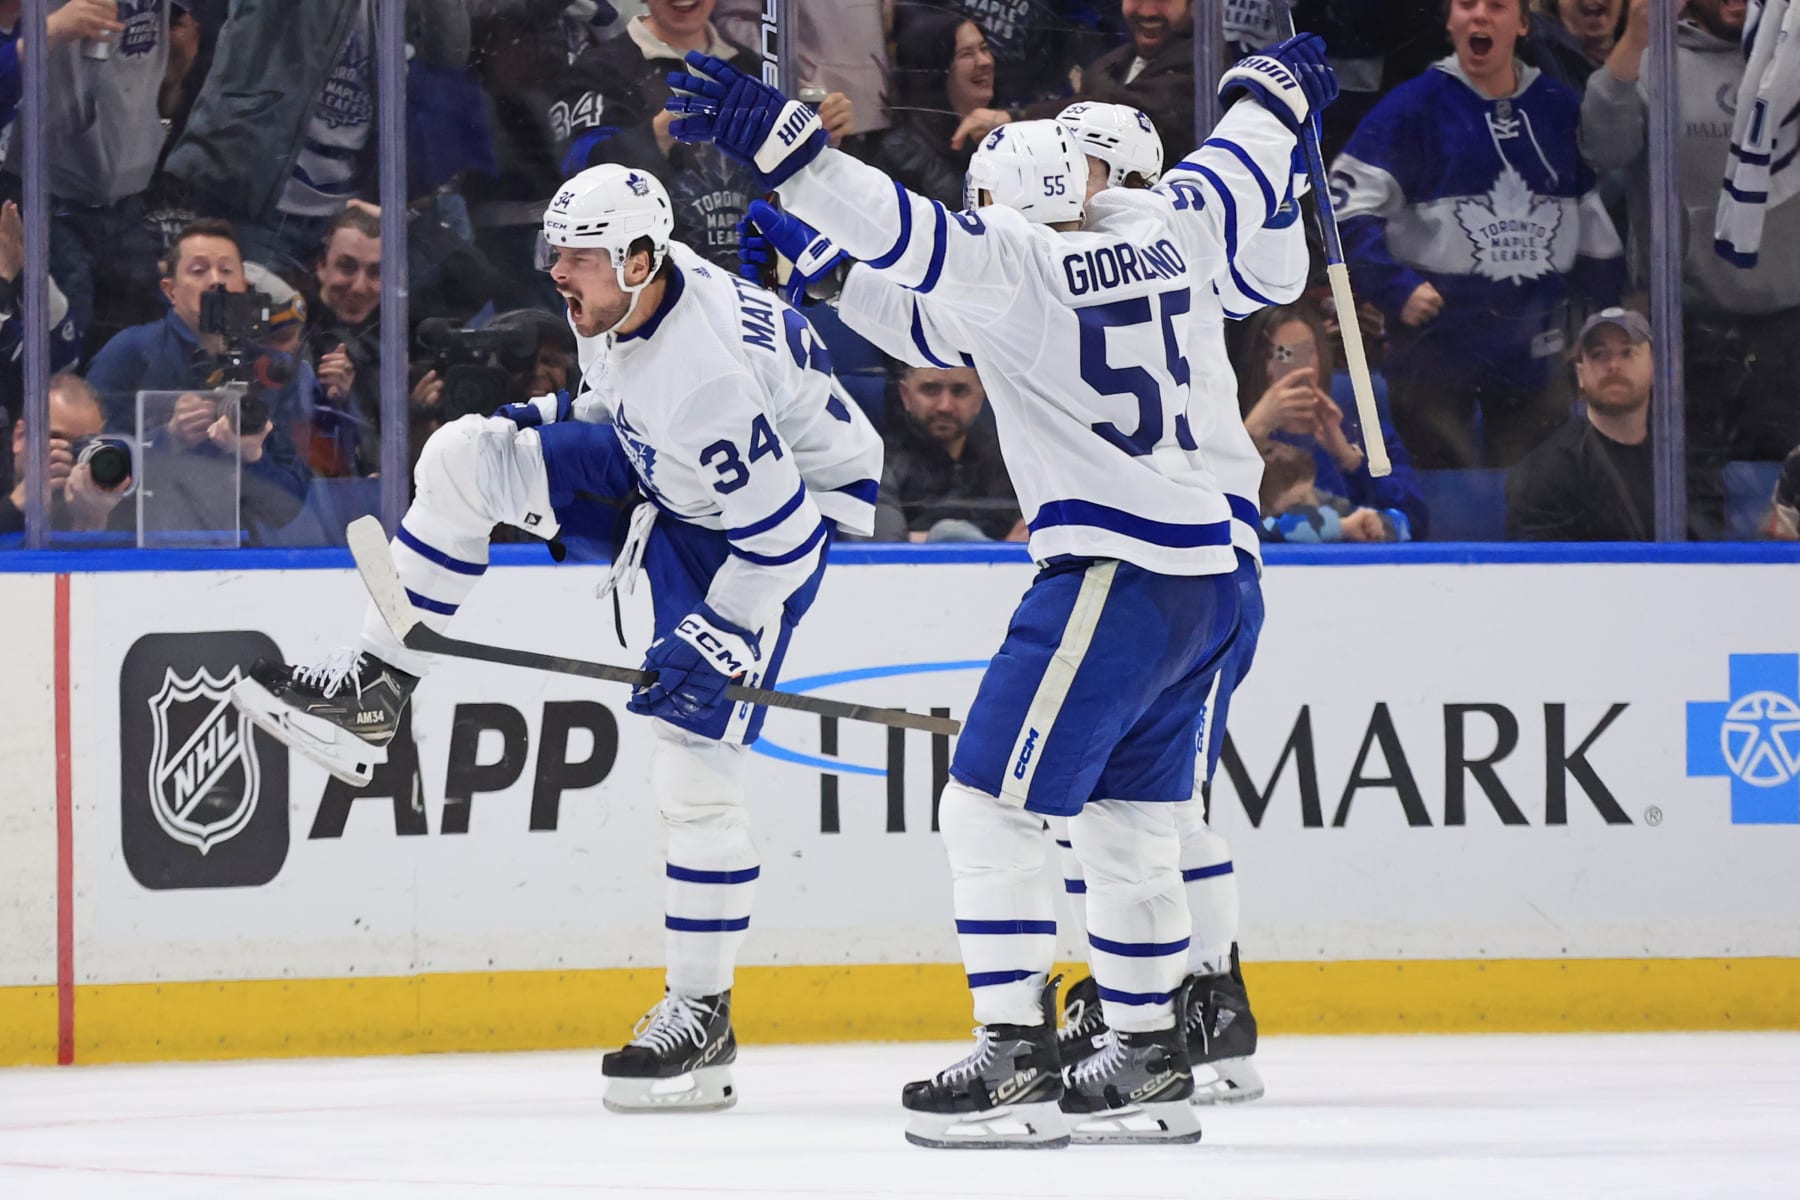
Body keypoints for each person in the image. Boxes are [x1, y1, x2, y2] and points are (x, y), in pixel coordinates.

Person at [667, 33, 1337, 1144]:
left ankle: (1017, 1057)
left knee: (986, 805)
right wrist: (1274, 84)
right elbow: (1245, 150)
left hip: (1111, 574)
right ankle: (1149, 1054)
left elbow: (915, 237)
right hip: (1206, 581)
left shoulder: (1020, 262)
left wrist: (789, 154)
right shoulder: (1170, 225)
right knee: (1128, 822)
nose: (976, 216)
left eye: (987, 203)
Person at [231, 164, 882, 1115]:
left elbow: (782, 542)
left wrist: (717, 634)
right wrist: (530, 420)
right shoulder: (628, 305)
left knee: (695, 772)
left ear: (640, 257)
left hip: (772, 527)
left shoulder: (699, 379)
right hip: (675, 473)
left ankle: (702, 1013)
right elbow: (621, 412)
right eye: (558, 254)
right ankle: (374, 693)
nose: (558, 275)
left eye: (578, 258)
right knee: (464, 459)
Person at [1330, 0, 1624, 469]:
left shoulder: (1557, 110)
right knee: (1445, 500)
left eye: (1497, 6)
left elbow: (1594, 232)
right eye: (1466, 5)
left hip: (1535, 357)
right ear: (1449, 21)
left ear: (1524, 25)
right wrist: (1393, 285)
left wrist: (1591, 320)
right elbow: (1343, 206)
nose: (1479, 16)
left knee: (1535, 497)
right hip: (1434, 356)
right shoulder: (1413, 108)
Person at [1580, 0, 1800, 465]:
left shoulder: (1793, 52)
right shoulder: (1657, 59)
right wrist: (1636, 39)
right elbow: (1603, 148)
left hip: (1790, 325)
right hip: (1687, 327)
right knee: (1690, 497)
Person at [552, 0, 853, 269]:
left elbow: (786, 182)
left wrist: (818, 142)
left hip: (752, 276)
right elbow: (580, 173)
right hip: (650, 277)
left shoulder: (757, 69)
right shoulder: (599, 70)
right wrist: (661, 131)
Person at [82, 218, 313, 540]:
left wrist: (252, 457)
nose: (216, 281)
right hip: (134, 547)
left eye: (227, 270)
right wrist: (168, 437)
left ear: (244, 284)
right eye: (199, 270)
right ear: (170, 289)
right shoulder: (131, 351)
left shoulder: (272, 370)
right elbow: (85, 459)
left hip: (240, 556)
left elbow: (286, 510)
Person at [1506, 308, 1723, 539]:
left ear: (1655, 368)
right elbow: (1545, 569)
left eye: (1627, 353)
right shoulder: (1545, 472)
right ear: (1580, 374)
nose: (1613, 365)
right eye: (1599, 354)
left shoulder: (1686, 461)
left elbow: (1705, 553)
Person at [1237, 299, 1426, 536]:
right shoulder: (1229, 437)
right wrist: (1252, 433)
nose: (1299, 367)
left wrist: (1351, 461)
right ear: (1263, 365)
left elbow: (1417, 524)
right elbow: (1213, 521)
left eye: (1306, 352)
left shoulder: (1370, 438)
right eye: (1283, 354)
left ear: (1322, 357)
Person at [952, 0, 1200, 171]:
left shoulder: (1204, 65)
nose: (1147, 10)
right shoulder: (1119, 59)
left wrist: (1014, 118)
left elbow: (1127, 115)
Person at [874, 362, 1024, 543]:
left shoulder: (1012, 462)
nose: (945, 406)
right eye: (930, 390)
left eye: (960, 391)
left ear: (979, 399)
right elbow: (885, 546)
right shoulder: (878, 463)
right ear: (905, 395)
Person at [867, 12, 996, 210]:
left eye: (984, 49)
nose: (985, 61)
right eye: (967, 54)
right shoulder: (900, 154)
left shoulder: (997, 134)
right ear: (936, 69)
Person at [299, 205, 383, 478]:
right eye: (347, 267)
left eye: (375, 272)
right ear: (321, 266)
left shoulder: (392, 339)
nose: (359, 286)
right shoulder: (291, 336)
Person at [0, 373, 132, 538]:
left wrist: (95, 522)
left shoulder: (117, 501)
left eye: (84, 445)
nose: (69, 456)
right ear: (20, 436)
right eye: (56, 439)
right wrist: (18, 504)